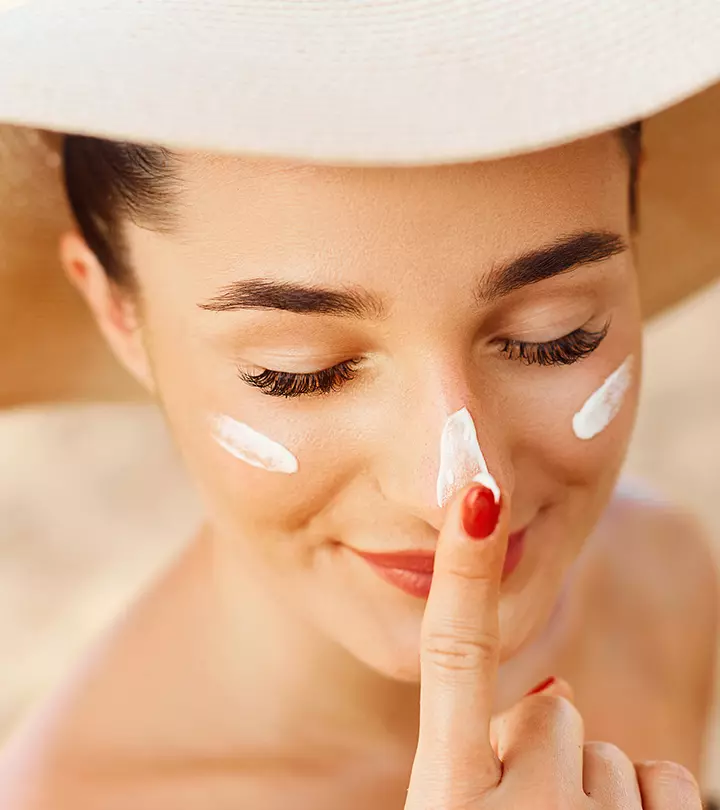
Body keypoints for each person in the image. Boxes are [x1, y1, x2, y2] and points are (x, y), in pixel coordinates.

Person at [0, 2, 718, 808]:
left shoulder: (659, 578)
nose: (452, 488)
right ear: (118, 313)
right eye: (300, 372)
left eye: (554, 337)